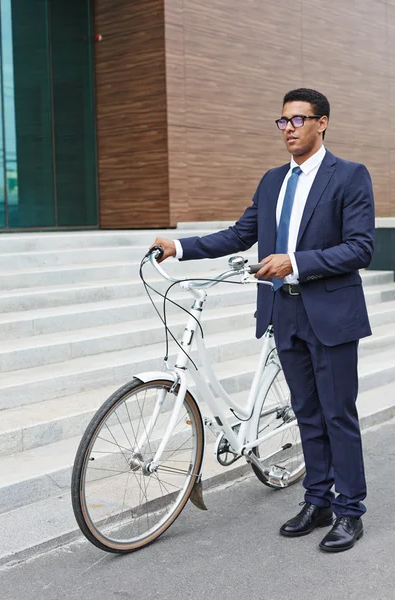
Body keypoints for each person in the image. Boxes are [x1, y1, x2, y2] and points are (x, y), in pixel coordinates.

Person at [151, 88, 375, 553]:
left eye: (299, 119)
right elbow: (240, 233)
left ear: (323, 123)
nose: (289, 128)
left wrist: (294, 261)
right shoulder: (273, 180)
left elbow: (361, 248)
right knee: (307, 415)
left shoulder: (350, 176)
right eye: (283, 121)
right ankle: (319, 501)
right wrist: (182, 247)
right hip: (283, 311)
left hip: (330, 314)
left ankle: (350, 510)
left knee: (337, 415)